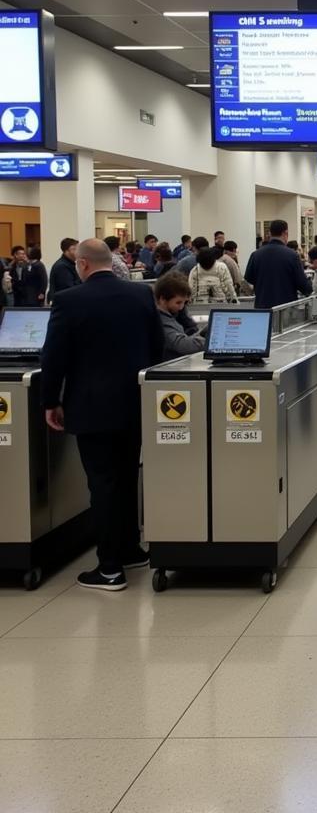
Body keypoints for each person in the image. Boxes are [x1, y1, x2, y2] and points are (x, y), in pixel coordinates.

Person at [40, 239, 163, 591]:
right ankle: (130, 549)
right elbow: (157, 348)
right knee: (126, 478)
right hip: (134, 404)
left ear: (81, 265)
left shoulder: (68, 301)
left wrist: (51, 401)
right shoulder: (141, 295)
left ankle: (109, 568)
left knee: (102, 484)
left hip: (91, 408)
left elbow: (54, 358)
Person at [244, 220, 312, 310]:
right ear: (285, 233)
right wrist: (309, 285)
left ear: (270, 233)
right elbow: (302, 284)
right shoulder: (292, 255)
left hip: (262, 307)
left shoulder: (256, 254)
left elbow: (249, 278)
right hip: (286, 308)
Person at [154, 272, 207, 358]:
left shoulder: (170, 316)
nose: (181, 307)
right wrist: (213, 342)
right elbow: (183, 345)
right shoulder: (159, 321)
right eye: (178, 302)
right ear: (162, 299)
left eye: (184, 302)